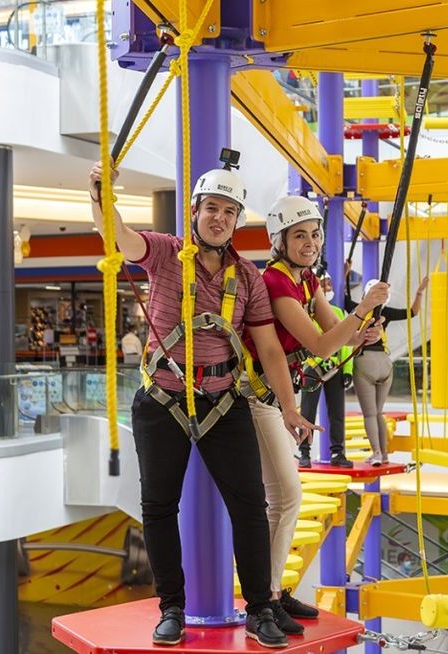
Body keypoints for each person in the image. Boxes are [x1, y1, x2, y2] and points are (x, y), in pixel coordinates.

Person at [90, 159, 318, 649]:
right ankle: (172, 607)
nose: (219, 218)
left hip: (222, 398)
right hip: (162, 398)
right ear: (194, 211)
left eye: (229, 211)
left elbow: (271, 348)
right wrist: (101, 198)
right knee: (158, 506)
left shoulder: (249, 278)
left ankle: (260, 607)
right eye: (211, 208)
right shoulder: (167, 254)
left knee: (251, 507)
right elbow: (121, 238)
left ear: (237, 221)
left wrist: (290, 408)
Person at [242, 195, 388, 634]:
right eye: (299, 235)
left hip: (275, 396)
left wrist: (362, 333)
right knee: (284, 498)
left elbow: (334, 332)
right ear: (279, 241)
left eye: (314, 234)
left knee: (286, 499)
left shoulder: (307, 281)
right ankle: (264, 599)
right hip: (257, 397)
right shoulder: (275, 282)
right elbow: (323, 346)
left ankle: (271, 591)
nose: (310, 242)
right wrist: (362, 311)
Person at [345, 275, 427, 465]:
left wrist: (346, 274)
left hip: (366, 362)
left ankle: (376, 453)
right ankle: (385, 454)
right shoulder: (386, 312)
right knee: (379, 413)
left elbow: (344, 296)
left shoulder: (358, 310)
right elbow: (412, 312)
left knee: (370, 414)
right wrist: (420, 291)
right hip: (385, 363)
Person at [298, 272, 355, 469]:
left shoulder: (338, 312)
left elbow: (346, 342)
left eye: (330, 283)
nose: (328, 287)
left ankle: (338, 452)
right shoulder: (304, 312)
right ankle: (304, 452)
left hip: (335, 367)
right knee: (307, 411)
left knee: (337, 412)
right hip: (312, 367)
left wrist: (347, 370)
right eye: (325, 283)